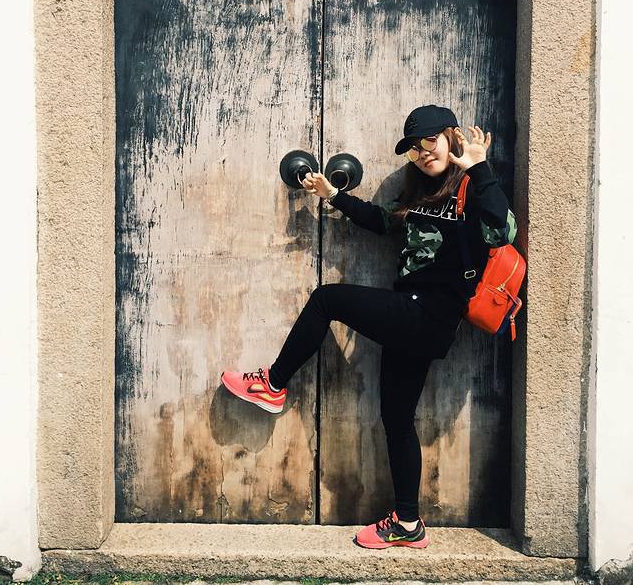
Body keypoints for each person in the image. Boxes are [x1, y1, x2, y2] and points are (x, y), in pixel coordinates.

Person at [221, 104, 517, 549]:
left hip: (428, 315)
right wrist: (332, 195)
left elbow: (503, 232)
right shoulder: (421, 193)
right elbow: (380, 220)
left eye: (430, 142)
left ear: (451, 137)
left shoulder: (472, 189)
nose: (423, 153)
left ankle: (273, 384)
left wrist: (479, 169)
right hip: (413, 320)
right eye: (414, 149)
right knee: (396, 420)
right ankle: (408, 522)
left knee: (327, 299)